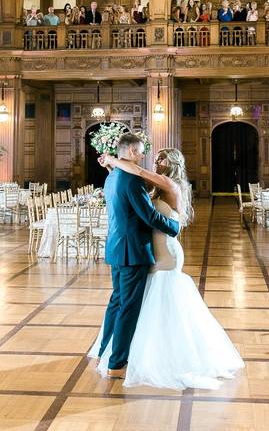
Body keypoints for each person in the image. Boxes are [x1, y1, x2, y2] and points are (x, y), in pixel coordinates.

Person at [92, 142, 242, 389]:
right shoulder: (149, 184)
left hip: (166, 250)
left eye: (161, 160)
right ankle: (129, 354)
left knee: (151, 299)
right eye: (153, 157)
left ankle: (155, 355)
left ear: (172, 164)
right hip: (146, 249)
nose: (153, 161)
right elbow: (129, 190)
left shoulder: (168, 184)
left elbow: (138, 174)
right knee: (138, 302)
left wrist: (111, 159)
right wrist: (113, 166)